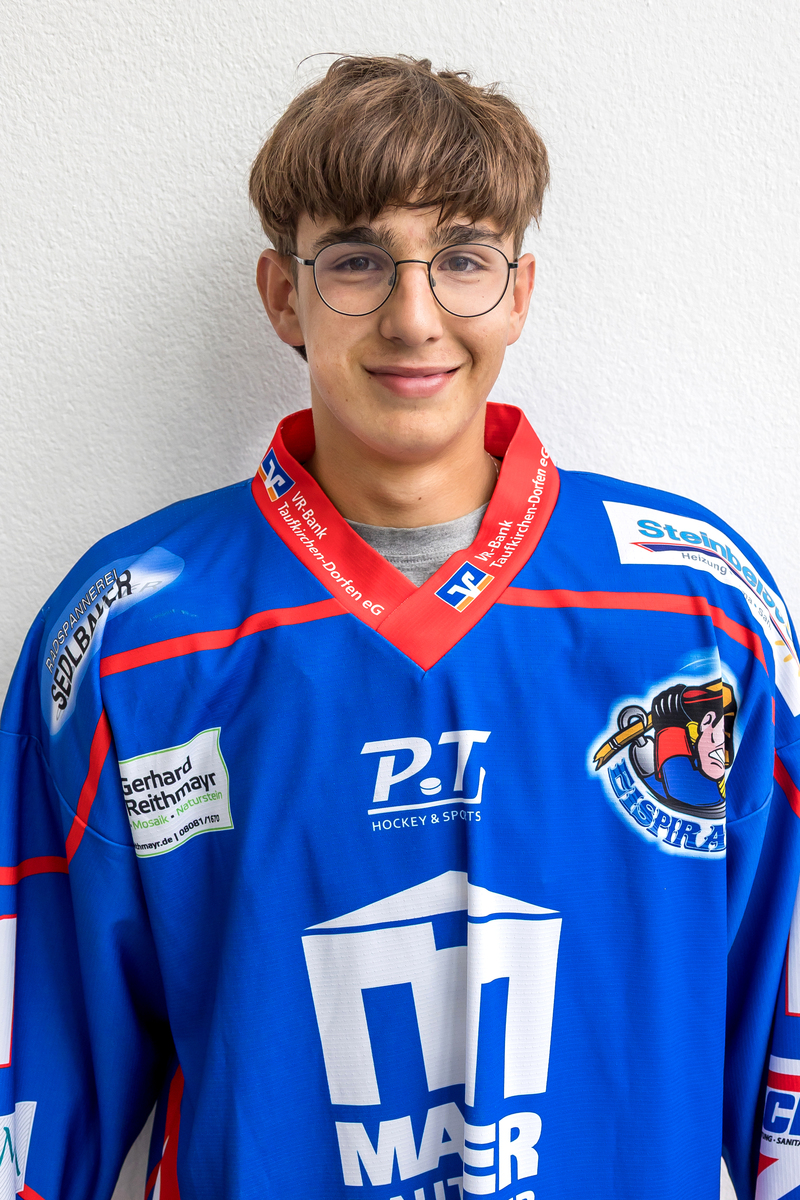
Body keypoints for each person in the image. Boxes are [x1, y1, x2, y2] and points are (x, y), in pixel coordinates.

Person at [0, 53, 798, 1200]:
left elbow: (781, 1066)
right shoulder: (128, 637)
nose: (413, 316)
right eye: (357, 261)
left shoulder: (697, 613)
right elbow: (38, 1092)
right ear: (282, 294)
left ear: (519, 291)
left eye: (462, 258)